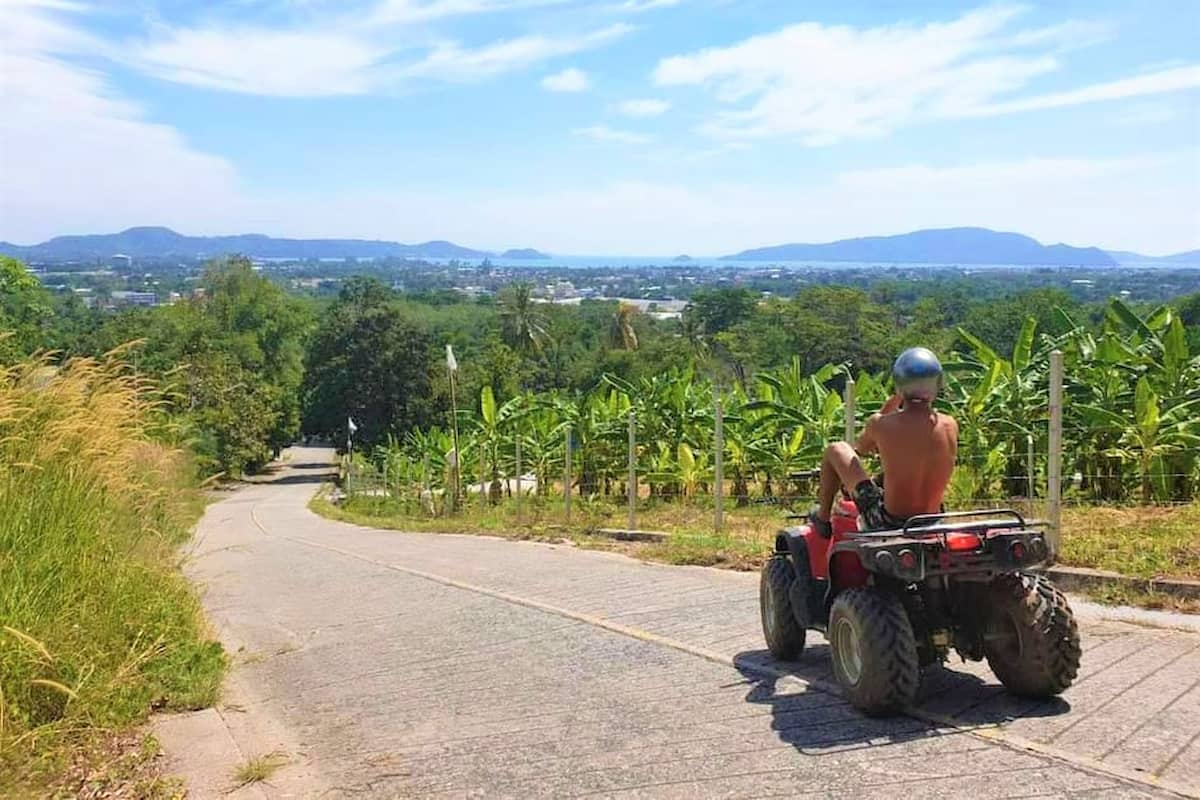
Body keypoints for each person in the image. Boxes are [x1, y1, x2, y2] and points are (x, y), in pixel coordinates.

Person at [811, 347, 958, 534]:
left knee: (837, 449)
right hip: (933, 520)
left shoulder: (880, 424)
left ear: (899, 385)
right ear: (937, 384)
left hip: (888, 521)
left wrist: (892, 402)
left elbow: (859, 450)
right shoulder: (950, 425)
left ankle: (822, 518)